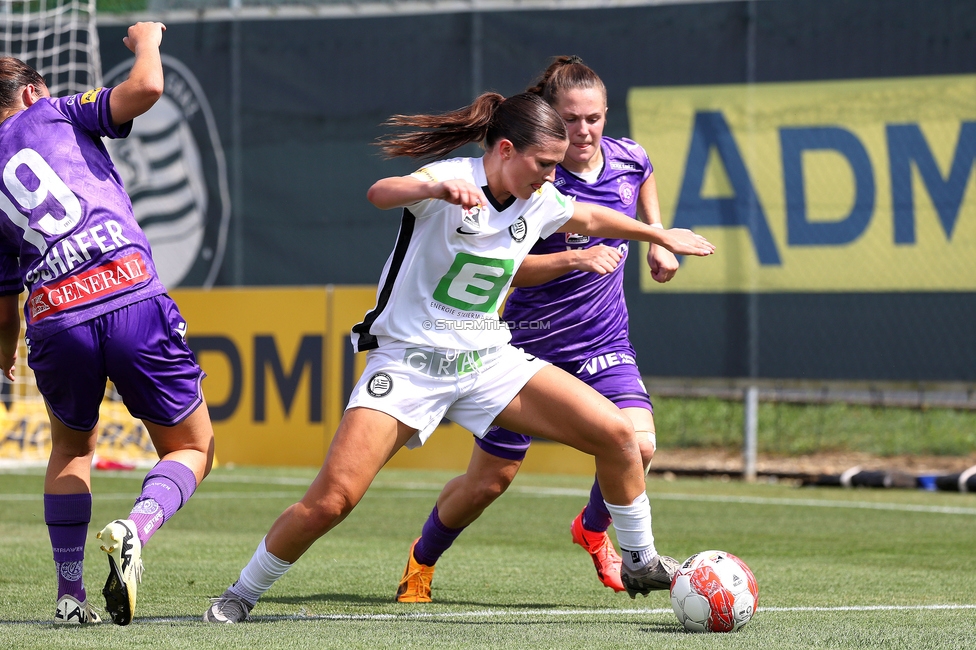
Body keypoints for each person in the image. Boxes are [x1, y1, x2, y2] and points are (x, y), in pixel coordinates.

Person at [202, 90, 712, 624]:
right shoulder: (451, 178)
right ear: (507, 150)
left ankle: (639, 560)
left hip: (486, 359)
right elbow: (380, 192)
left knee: (620, 435)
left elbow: (590, 217)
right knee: (334, 500)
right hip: (409, 365)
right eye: (544, 164)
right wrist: (437, 186)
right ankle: (241, 592)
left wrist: (657, 232)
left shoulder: (538, 197)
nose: (551, 177)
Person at [394, 56, 678, 603]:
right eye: (571, 120)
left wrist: (659, 242)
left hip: (602, 340)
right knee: (488, 482)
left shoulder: (628, 158)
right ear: (550, 120)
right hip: (526, 344)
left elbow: (644, 180)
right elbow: (506, 270)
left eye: (594, 117)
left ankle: (594, 531)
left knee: (637, 444)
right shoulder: (534, 176)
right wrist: (575, 260)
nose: (584, 131)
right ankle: (421, 559)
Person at [0, 23, 215, 626]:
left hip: (53, 316)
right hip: (126, 291)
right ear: (32, 93)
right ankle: (136, 527)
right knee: (193, 446)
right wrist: (147, 39)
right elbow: (146, 88)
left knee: (71, 449)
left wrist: (6, 348)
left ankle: (70, 599)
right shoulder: (58, 112)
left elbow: (2, 289)